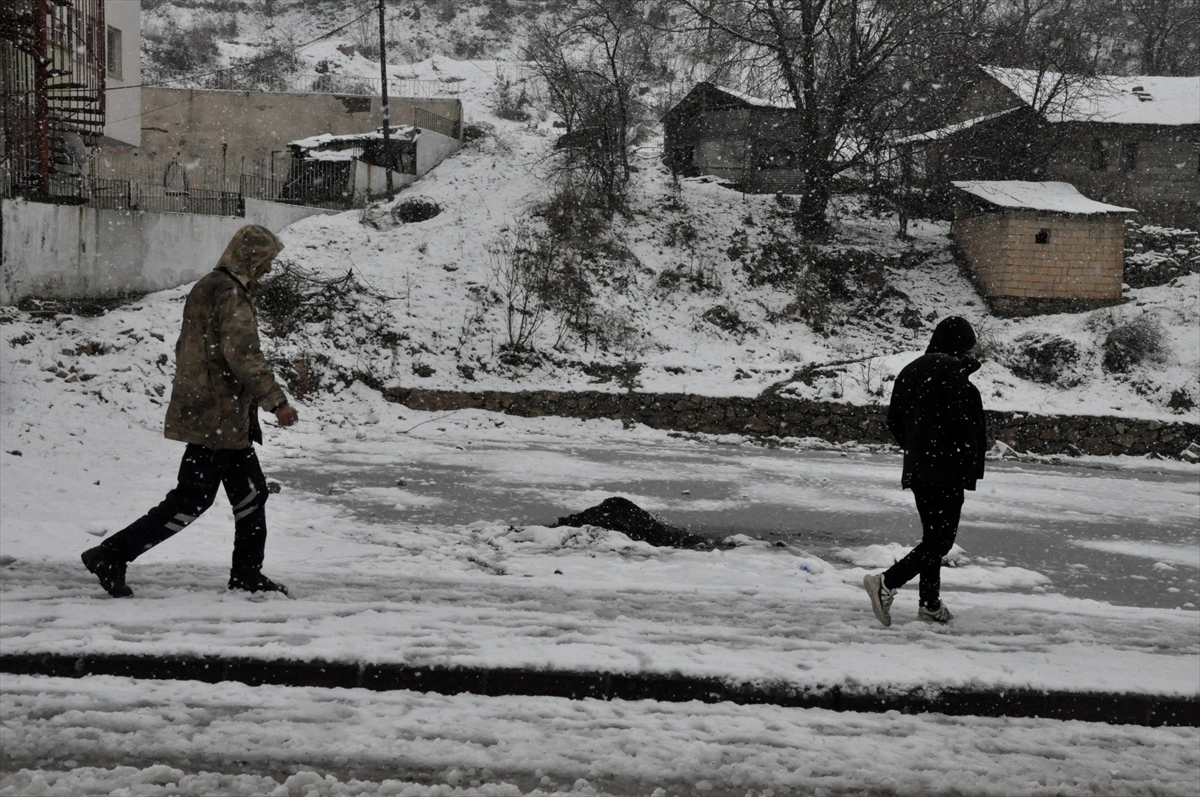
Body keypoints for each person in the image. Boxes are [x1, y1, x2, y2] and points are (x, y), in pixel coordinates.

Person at [82, 225, 299, 598]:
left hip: (215, 414)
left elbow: (194, 348)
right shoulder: (230, 293)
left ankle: (247, 574)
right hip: (219, 417)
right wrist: (276, 401)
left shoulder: (208, 286)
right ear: (251, 258)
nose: (268, 269)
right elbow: (243, 355)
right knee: (192, 499)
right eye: (265, 261)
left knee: (251, 494)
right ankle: (111, 554)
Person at [864, 316, 986, 626]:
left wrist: (917, 448)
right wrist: (966, 455)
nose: (969, 353)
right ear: (960, 344)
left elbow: (894, 419)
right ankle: (886, 582)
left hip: (919, 467)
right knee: (941, 541)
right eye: (968, 347)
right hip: (946, 469)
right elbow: (961, 421)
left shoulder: (911, 370)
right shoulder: (951, 370)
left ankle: (930, 603)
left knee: (932, 537)